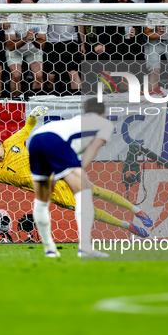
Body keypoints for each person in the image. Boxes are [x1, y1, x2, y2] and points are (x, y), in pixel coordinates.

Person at [0, 106, 152, 239]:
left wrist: (33, 115)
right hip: (51, 191)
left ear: (0, 144)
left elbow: (27, 127)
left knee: (96, 191)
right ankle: (128, 226)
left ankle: (137, 210)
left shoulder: (13, 141)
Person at [28, 99, 114, 257]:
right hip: (55, 140)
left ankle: (49, 249)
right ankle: (85, 248)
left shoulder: (76, 120)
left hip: (35, 139)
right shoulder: (105, 124)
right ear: (104, 114)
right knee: (85, 188)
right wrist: (81, 171)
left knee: (42, 199)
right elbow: (93, 149)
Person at [38, 0, 85, 94]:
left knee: (73, 73)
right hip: (52, 42)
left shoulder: (75, 0)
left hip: (71, 41)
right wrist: (41, 14)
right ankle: (50, 102)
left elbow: (80, 24)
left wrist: (83, 43)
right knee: (50, 77)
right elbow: (35, 11)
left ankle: (78, 101)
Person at [5, 0, 47, 99]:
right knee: (16, 75)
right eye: (23, 6)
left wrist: (33, 40)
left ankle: (35, 104)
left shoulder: (41, 18)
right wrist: (26, 39)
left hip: (33, 49)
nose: (26, 9)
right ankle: (15, 104)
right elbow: (10, 45)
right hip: (15, 51)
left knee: (39, 76)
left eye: (29, 6)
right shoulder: (12, 17)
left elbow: (42, 45)